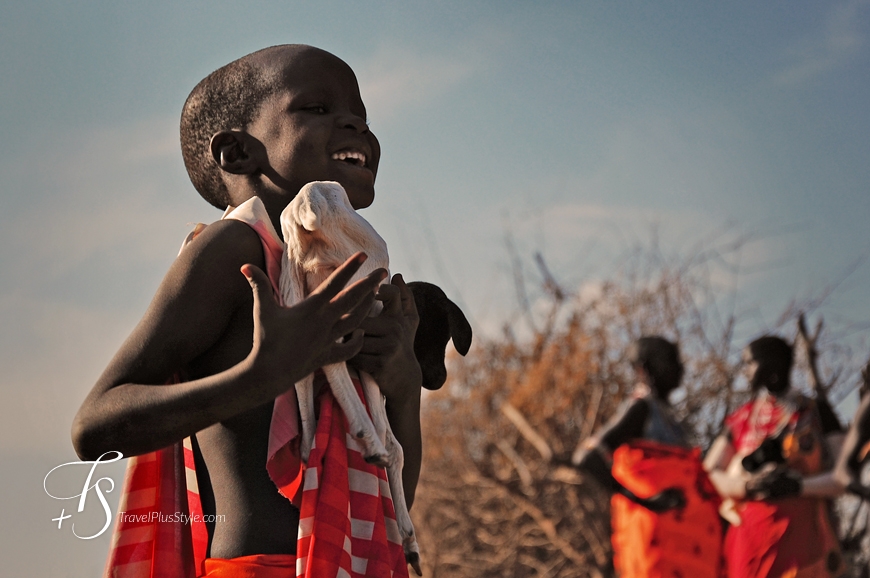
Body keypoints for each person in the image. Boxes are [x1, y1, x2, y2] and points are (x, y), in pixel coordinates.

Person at [72, 45, 424, 577]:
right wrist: (261, 377)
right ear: (238, 153)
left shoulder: (342, 279)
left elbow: (392, 505)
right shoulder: (235, 250)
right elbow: (94, 426)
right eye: (318, 108)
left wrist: (404, 384)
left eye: (362, 115)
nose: (356, 123)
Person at [573, 336, 722, 578]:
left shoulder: (670, 418)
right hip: (657, 544)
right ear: (644, 369)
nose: (680, 368)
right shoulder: (640, 408)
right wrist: (644, 501)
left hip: (687, 544)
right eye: (670, 362)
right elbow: (587, 457)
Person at [703, 335, 846, 577]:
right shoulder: (742, 418)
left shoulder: (816, 412)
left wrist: (798, 486)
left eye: (749, 363)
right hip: (749, 542)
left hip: (805, 543)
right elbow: (709, 472)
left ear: (773, 362)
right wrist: (746, 486)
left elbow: (843, 477)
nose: (745, 371)